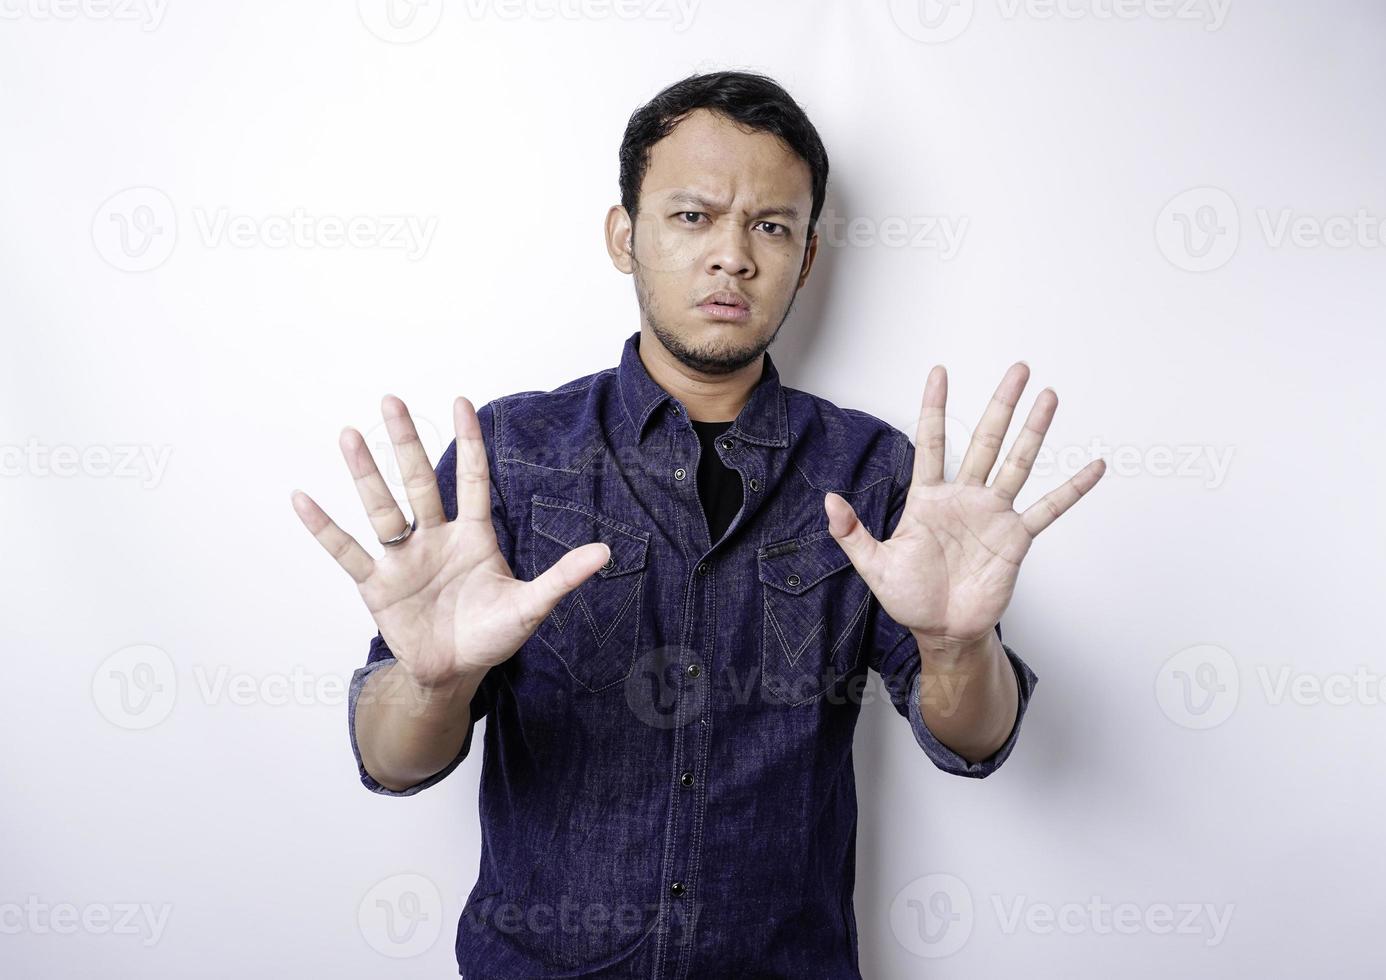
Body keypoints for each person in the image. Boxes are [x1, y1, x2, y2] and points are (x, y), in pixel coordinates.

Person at [291, 70, 1104, 979]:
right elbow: (392, 761)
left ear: (807, 254)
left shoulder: (875, 475)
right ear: (622, 233)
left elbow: (976, 742)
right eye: (692, 217)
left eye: (771, 225)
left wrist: (957, 647)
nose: (734, 256)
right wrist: (433, 683)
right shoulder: (510, 461)